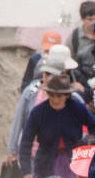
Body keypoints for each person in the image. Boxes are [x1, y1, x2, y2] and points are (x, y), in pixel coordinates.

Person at [18, 72, 95, 178]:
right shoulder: (38, 112)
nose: (55, 99)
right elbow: (26, 141)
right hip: (45, 163)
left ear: (67, 95)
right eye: (52, 95)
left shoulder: (77, 108)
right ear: (47, 93)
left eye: (59, 96)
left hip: (72, 161)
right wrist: (26, 170)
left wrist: (89, 145)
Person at [7, 43, 82, 171]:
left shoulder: (73, 98)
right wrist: (12, 150)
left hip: (63, 157)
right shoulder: (31, 93)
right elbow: (19, 121)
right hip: (34, 156)